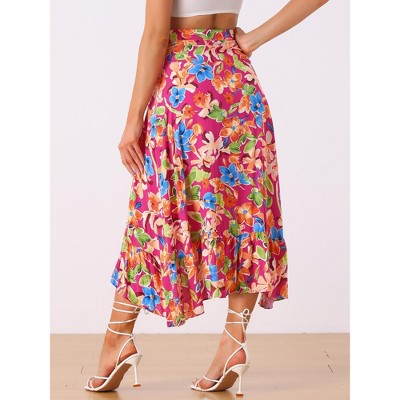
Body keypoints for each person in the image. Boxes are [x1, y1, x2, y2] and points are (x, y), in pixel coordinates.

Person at [85, 0, 329, 395]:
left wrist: (132, 122)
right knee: (246, 212)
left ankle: (117, 339)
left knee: (154, 214)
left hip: (185, 92)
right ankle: (233, 343)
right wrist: (251, 40)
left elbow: (156, 35)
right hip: (239, 86)